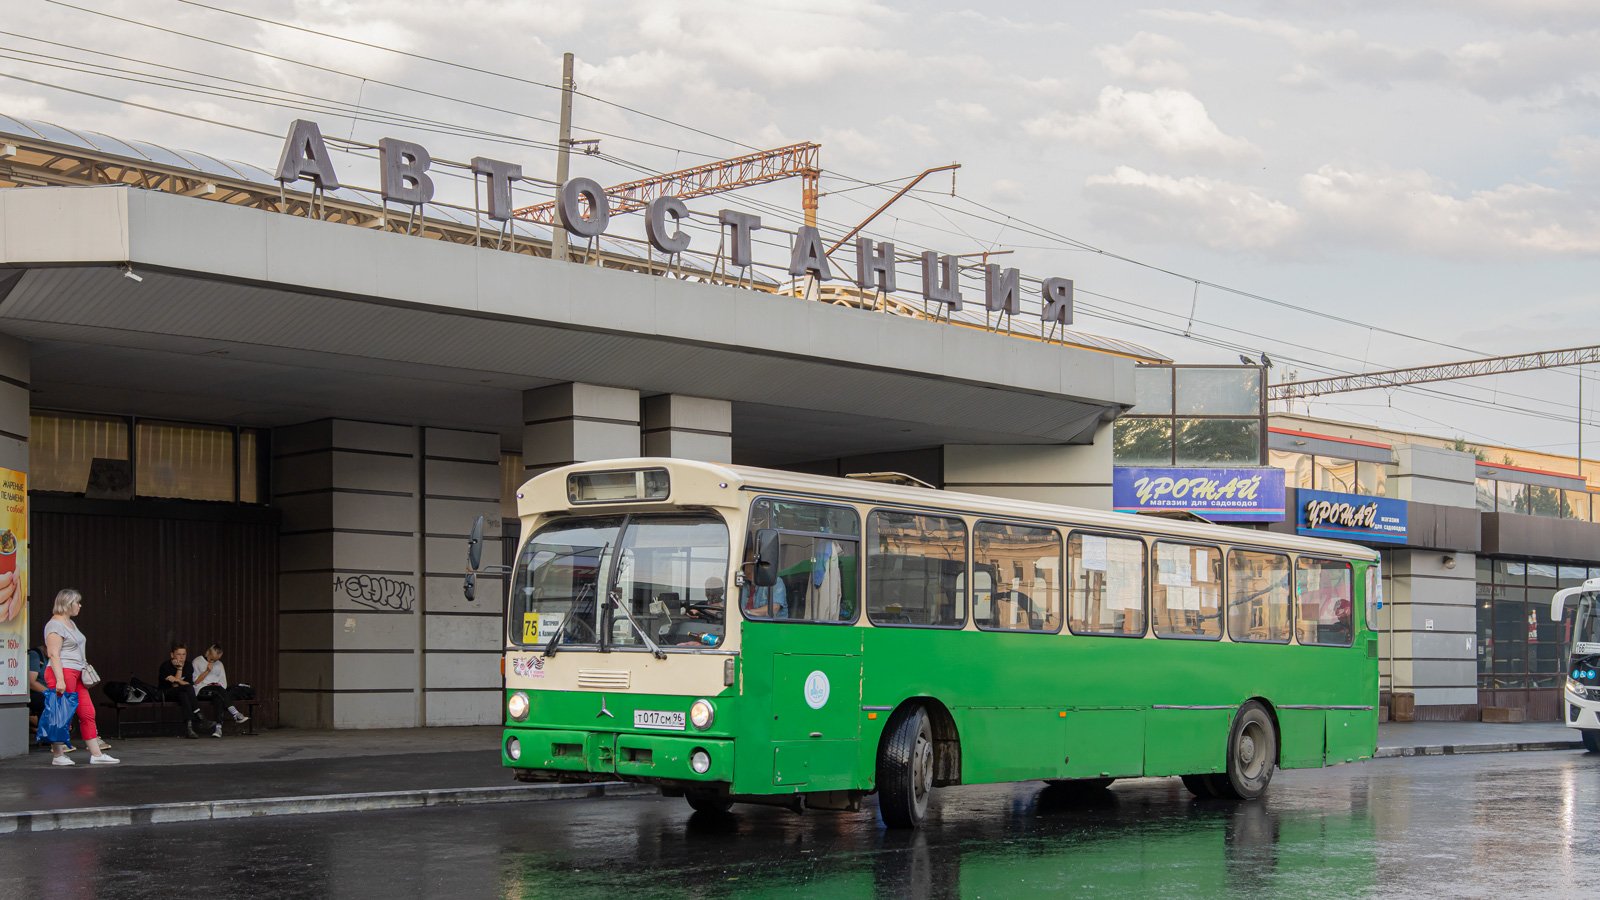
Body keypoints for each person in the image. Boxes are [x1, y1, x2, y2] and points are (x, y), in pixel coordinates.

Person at [43, 589, 117, 765]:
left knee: (87, 712)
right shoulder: (55, 625)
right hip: (63, 672)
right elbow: (53, 654)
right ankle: (58, 756)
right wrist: (60, 679)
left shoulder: (70, 623)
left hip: (76, 673)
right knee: (62, 714)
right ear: (67, 604)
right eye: (77, 602)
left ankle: (96, 755)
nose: (79, 605)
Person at [191, 643, 249, 737]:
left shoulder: (219, 664)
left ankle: (218, 728)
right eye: (211, 659)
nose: (213, 661)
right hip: (202, 690)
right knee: (219, 692)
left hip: (218, 691)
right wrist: (207, 671)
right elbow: (195, 682)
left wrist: (218, 684)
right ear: (208, 653)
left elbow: (223, 683)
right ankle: (235, 713)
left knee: (219, 697)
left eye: (216, 660)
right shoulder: (197, 661)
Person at [157, 642, 212, 739]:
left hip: (182, 693)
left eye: (184, 654)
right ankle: (199, 715)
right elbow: (175, 686)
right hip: (167, 693)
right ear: (172, 655)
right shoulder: (165, 666)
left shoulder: (188, 665)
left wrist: (178, 679)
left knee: (184, 694)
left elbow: (189, 684)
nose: (181, 657)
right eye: (178, 654)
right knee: (184, 689)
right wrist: (179, 669)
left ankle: (189, 728)